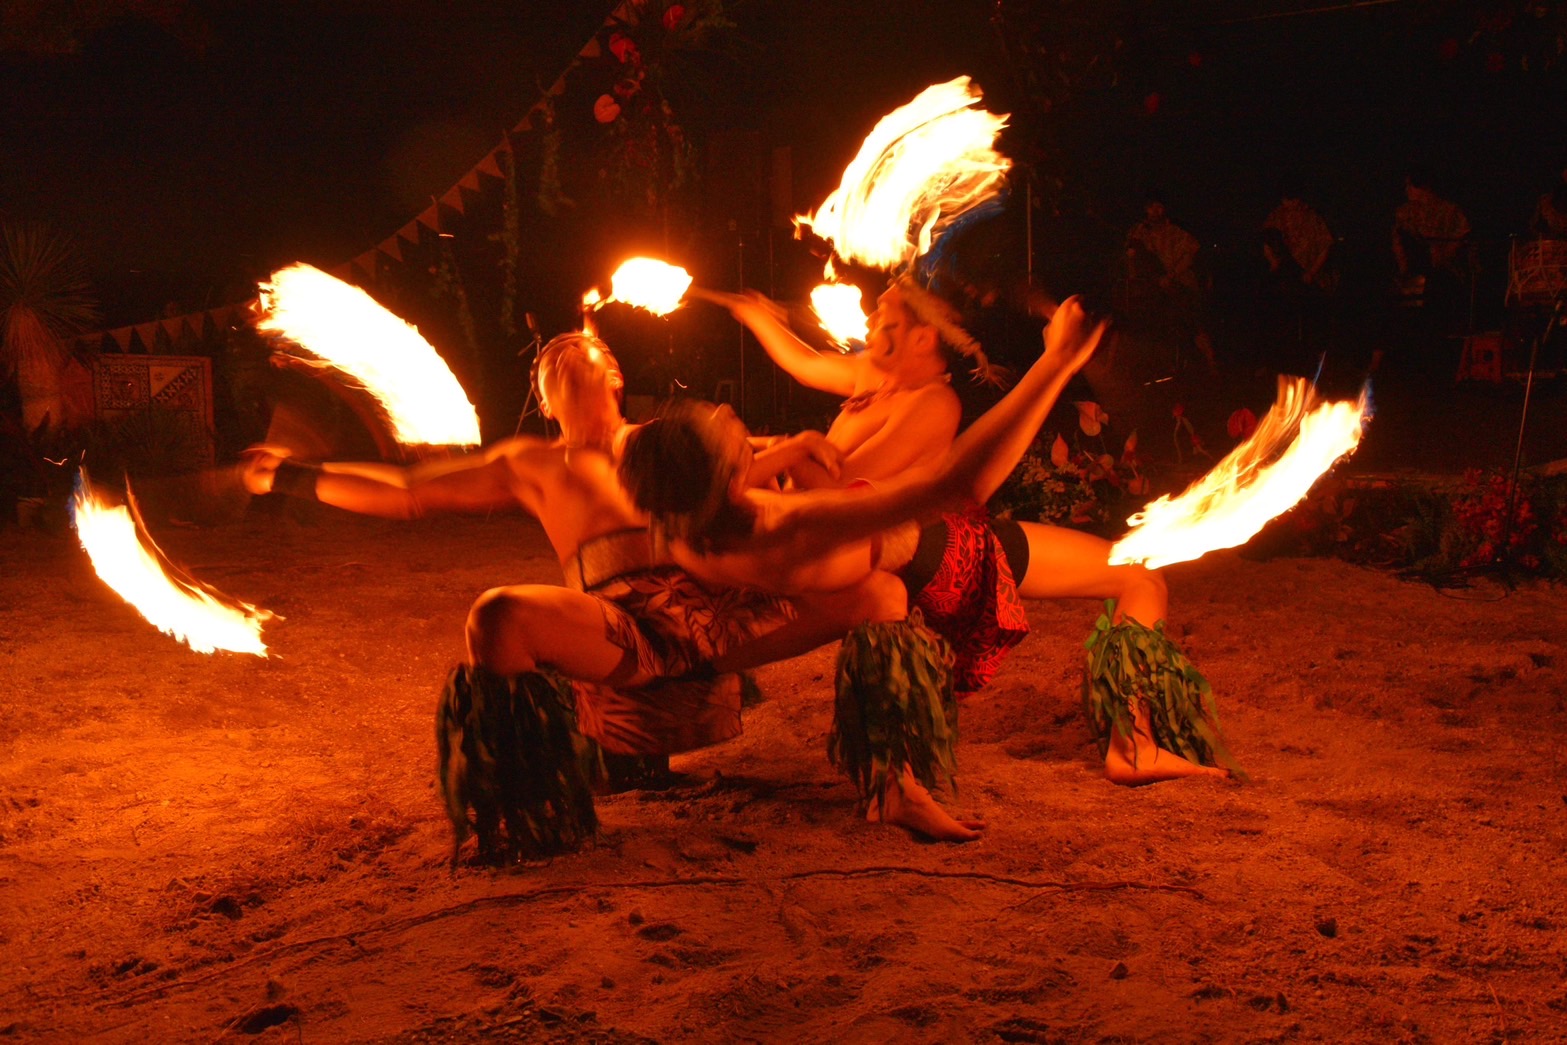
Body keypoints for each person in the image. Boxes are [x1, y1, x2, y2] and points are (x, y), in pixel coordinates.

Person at [242, 332, 906, 859]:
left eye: (585, 348)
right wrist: (293, 478)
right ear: (542, 395)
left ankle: (896, 787)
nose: (565, 350)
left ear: (615, 374)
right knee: (498, 615)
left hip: (720, 616)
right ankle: (526, 816)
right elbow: (408, 491)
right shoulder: (529, 464)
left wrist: (794, 451)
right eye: (549, 360)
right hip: (619, 633)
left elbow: (761, 473)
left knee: (877, 590)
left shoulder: (664, 445)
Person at [620, 298, 1237, 827]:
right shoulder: (791, 523)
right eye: (726, 430)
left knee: (887, 597)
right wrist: (1056, 364)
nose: (733, 418)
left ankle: (896, 786)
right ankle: (1135, 745)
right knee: (1139, 576)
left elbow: (711, 464)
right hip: (953, 557)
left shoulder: (687, 526)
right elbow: (959, 482)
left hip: (912, 566)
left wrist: (780, 448)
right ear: (727, 477)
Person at [1123, 190, 1217, 371]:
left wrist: (1171, 277)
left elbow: (1190, 254)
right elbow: (1133, 258)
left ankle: (1210, 360)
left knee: (1191, 317)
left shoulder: (1176, 232)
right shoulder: (1139, 232)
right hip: (1151, 288)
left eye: (1159, 206)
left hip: (1180, 284)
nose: (1155, 211)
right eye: (1151, 207)